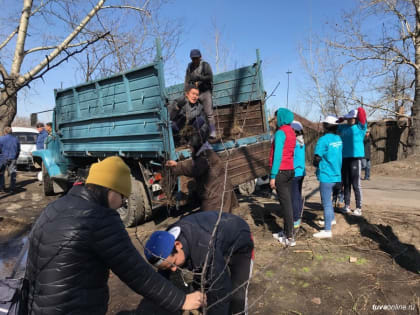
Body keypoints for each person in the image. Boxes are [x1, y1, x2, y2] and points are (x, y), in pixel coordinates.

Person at [24, 156, 204, 314]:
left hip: (37, 306)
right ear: (111, 191)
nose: (121, 204)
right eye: (123, 197)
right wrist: (181, 300)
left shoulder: (56, 206)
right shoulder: (99, 218)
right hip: (73, 308)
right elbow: (136, 272)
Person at [144, 211, 254, 315]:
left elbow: (221, 292)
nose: (173, 270)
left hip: (240, 242)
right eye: (167, 267)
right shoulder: (164, 242)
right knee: (202, 292)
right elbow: (163, 279)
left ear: (178, 245)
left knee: (237, 296)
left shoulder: (204, 249)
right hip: (214, 241)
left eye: (173, 264)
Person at [165, 127, 238, 213]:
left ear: (195, 146)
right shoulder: (206, 152)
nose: (189, 148)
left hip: (216, 195)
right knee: (223, 218)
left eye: (191, 147)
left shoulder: (205, 157)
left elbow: (193, 168)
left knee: (211, 219)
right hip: (221, 191)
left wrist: (177, 165)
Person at [313, 116, 343, 239]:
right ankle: (331, 220)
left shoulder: (323, 140)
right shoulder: (338, 139)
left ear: (326, 126)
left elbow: (317, 158)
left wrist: (316, 163)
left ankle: (327, 230)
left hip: (326, 175)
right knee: (330, 202)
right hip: (337, 175)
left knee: (326, 203)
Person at [270, 108, 296, 246]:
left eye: (275, 117)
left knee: (286, 206)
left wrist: (273, 175)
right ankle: (286, 232)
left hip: (281, 171)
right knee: (287, 204)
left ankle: (289, 238)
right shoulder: (292, 132)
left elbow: (277, 156)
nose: (274, 120)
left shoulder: (280, 133)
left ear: (280, 118)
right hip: (290, 170)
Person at [337, 107, 367, 216]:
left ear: (357, 118)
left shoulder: (361, 127)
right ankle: (347, 205)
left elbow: (363, 116)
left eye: (353, 118)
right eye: (349, 118)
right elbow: (334, 125)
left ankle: (358, 207)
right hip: (344, 158)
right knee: (346, 183)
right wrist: (342, 118)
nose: (351, 120)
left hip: (355, 158)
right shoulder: (343, 127)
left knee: (356, 184)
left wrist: (358, 110)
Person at [184, 49, 217, 138]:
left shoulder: (205, 65)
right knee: (195, 114)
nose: (194, 60)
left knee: (209, 113)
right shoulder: (190, 67)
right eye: (193, 58)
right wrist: (186, 92)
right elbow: (187, 80)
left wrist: (199, 78)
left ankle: (213, 132)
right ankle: (199, 134)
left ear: (200, 57)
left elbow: (210, 77)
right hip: (195, 94)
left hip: (205, 92)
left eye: (196, 58)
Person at [290, 121, 305, 229]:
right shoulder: (301, 142)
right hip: (301, 172)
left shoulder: (293, 142)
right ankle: (298, 215)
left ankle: (295, 219)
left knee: (294, 196)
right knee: (298, 194)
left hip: (294, 173)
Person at [0, 127, 21, 193]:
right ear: (11, 132)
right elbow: (18, 150)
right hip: (13, 158)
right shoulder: (16, 139)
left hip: (3, 158)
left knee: (1, 173)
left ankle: (2, 187)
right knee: (13, 173)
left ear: (5, 132)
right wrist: (16, 157)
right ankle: (12, 188)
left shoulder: (1, 139)